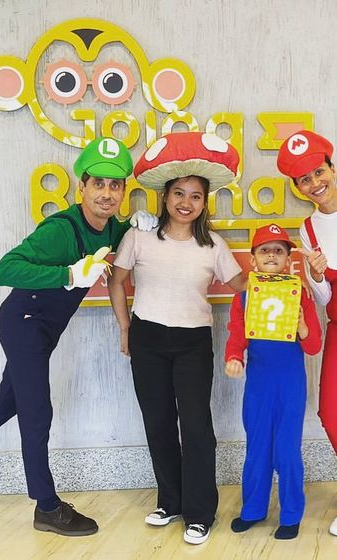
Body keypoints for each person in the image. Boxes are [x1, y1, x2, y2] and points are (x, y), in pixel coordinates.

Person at [0, 137, 158, 537]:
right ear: (82, 187)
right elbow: (3, 270)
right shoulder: (60, 229)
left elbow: (124, 240)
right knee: (36, 411)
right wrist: (67, 274)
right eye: (98, 183)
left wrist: (141, 224)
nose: (107, 193)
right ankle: (46, 507)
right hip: (23, 321)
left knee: (5, 403)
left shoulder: (112, 228)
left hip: (43, 328)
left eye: (115, 185)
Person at [108, 131, 247, 545]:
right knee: (158, 423)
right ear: (165, 196)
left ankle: (200, 513)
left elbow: (241, 284)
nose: (186, 203)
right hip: (147, 339)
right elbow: (117, 281)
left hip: (192, 343)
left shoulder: (213, 245)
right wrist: (125, 327)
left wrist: (281, 281)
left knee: (197, 427)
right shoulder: (139, 236)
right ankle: (170, 501)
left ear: (205, 203)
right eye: (179, 194)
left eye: (196, 196)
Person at [225, 223, 322, 540]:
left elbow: (313, 346)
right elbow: (237, 335)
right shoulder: (243, 298)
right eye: (264, 250)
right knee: (257, 448)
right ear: (253, 259)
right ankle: (253, 509)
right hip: (258, 386)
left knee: (287, 451)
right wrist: (234, 357)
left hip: (290, 386)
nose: (271, 255)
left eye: (278, 251)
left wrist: (302, 326)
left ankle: (291, 514)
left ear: (288, 260)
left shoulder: (300, 295)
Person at [277, 130, 337, 536]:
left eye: (319, 172)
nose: (315, 183)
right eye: (304, 179)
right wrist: (315, 276)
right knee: (330, 411)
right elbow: (324, 297)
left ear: (332, 168)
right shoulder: (309, 229)